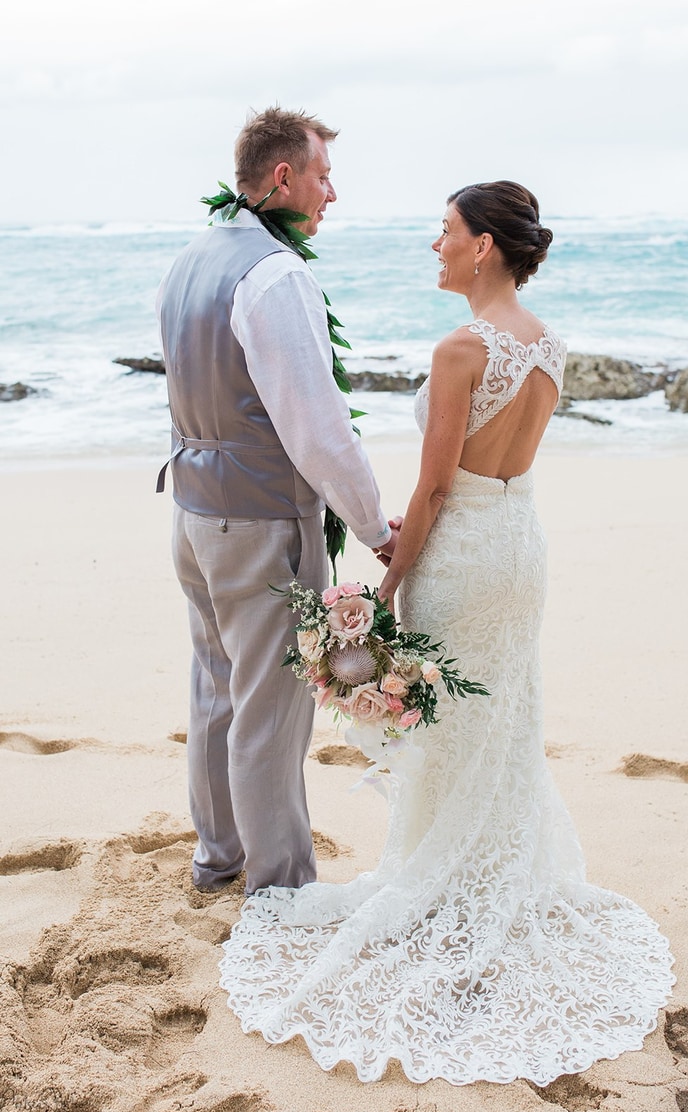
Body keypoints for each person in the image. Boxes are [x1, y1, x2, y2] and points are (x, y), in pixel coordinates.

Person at [219, 181, 674, 1085]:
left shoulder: (462, 349)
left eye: (446, 231)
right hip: (521, 545)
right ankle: (490, 881)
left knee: (449, 727)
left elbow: (430, 492)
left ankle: (443, 886)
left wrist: (387, 583)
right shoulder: (549, 343)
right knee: (500, 719)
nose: (435, 244)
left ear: (485, 248)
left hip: (463, 553)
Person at [157, 107, 395, 896]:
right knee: (271, 713)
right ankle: (281, 889)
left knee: (216, 691)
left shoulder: (191, 259)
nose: (334, 193)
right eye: (323, 176)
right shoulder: (276, 274)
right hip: (260, 525)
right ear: (284, 177)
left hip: (192, 515)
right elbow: (318, 428)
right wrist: (372, 528)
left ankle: (216, 857)